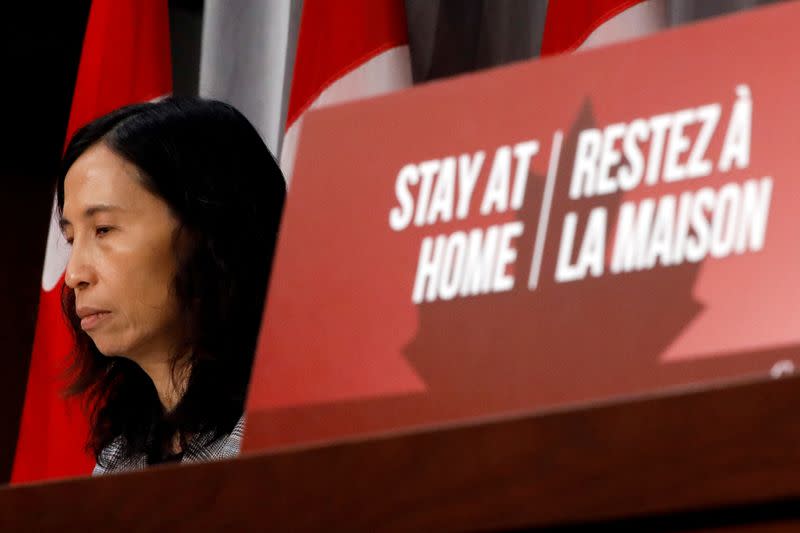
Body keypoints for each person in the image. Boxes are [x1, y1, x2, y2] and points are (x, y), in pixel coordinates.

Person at [56, 97, 285, 474]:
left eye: (103, 229)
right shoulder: (117, 463)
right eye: (70, 239)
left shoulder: (298, 444)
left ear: (210, 232)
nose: (74, 274)